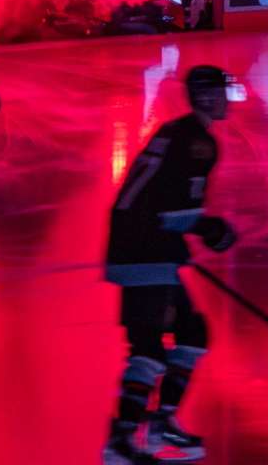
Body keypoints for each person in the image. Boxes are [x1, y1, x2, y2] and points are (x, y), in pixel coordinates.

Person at [102, 66, 239, 464]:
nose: (228, 99)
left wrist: (192, 230)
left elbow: (160, 203)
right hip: (143, 251)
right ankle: (121, 443)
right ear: (208, 97)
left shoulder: (179, 132)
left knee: (192, 332)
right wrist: (210, 228)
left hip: (144, 247)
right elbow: (173, 212)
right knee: (146, 346)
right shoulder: (198, 143)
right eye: (223, 93)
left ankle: (161, 424)